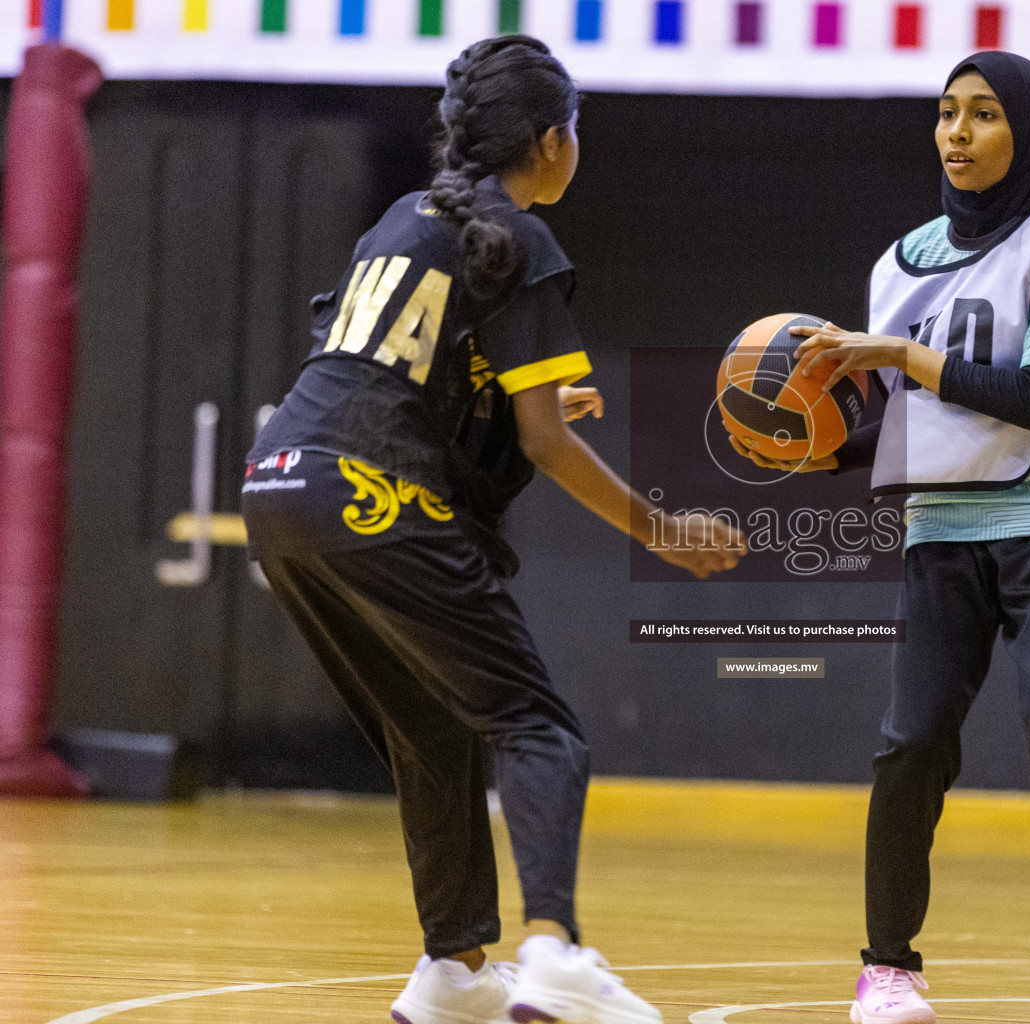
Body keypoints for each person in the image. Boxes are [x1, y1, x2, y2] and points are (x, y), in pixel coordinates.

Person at [243, 35, 745, 1024]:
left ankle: (455, 970)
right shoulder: (522, 239)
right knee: (536, 724)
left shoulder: (400, 219)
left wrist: (526, 401)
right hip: (363, 486)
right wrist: (663, 529)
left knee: (429, 727)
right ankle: (553, 953)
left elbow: (390, 371)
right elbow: (544, 445)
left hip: (275, 481)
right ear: (553, 142)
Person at [733, 51, 1030, 1024]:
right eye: (946, 112)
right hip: (942, 520)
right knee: (910, 741)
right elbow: (908, 420)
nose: (956, 131)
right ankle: (888, 972)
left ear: (1026, 130)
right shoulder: (898, 261)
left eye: (983, 113)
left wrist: (905, 353)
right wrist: (801, 445)